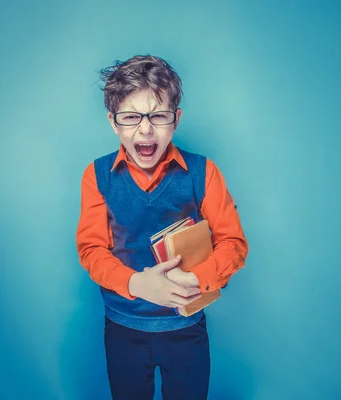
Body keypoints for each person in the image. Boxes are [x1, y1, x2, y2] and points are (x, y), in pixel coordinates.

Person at [76, 54, 248, 400]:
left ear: (176, 119)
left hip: (186, 329)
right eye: (131, 116)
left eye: (158, 115)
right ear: (113, 121)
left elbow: (233, 242)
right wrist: (136, 283)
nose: (145, 129)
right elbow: (92, 249)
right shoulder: (96, 176)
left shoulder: (204, 172)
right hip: (124, 328)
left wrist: (198, 279)